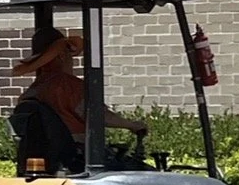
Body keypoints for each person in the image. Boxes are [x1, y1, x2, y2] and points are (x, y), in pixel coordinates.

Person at [8, 28, 148, 171]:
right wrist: (132, 125)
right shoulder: (68, 86)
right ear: (62, 56)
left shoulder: (31, 92)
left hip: (53, 162)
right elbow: (99, 116)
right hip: (78, 160)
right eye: (69, 52)